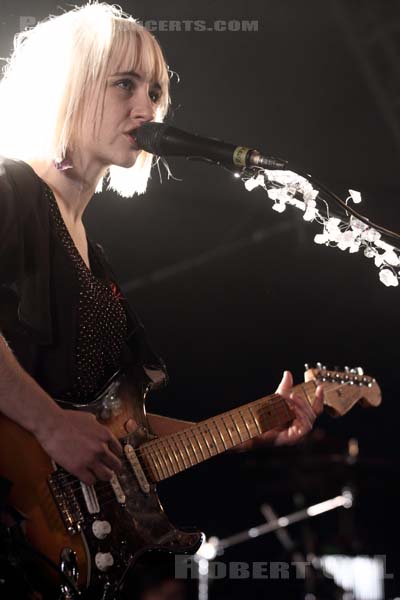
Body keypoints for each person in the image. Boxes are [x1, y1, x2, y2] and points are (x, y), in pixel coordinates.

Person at [0, 1, 323, 595]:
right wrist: (48, 424)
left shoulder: (96, 262)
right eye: (124, 84)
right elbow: (63, 428)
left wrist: (252, 427)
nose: (147, 107)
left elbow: (125, 437)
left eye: (155, 89)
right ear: (66, 86)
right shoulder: (10, 188)